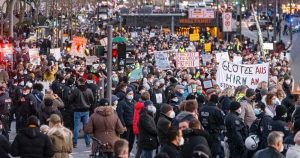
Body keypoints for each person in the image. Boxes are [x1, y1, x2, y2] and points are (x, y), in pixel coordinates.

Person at [69, 77, 94, 148]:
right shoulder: (89, 90)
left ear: (79, 82)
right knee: (86, 127)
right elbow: (92, 100)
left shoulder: (76, 90)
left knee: (76, 127)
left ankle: (75, 143)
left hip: (77, 110)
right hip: (86, 110)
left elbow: (70, 99)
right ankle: (88, 142)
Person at [117, 88, 136, 153]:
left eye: (132, 94)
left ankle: (128, 154)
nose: (131, 95)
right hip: (126, 126)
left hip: (133, 125)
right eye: (129, 94)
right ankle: (124, 154)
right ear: (126, 94)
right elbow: (120, 115)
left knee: (131, 142)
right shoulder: (122, 103)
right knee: (125, 142)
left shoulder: (134, 102)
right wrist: (123, 125)